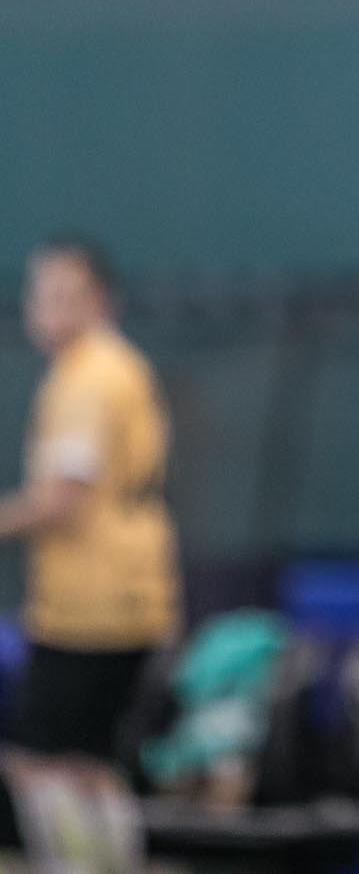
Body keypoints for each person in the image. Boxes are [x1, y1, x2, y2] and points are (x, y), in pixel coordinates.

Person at [1, 239, 177, 869]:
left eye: (65, 293)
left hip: (93, 606)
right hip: (121, 595)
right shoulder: (108, 367)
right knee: (91, 761)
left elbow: (61, 501)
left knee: (43, 761)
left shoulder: (91, 378)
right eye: (40, 292)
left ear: (101, 300)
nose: (47, 307)